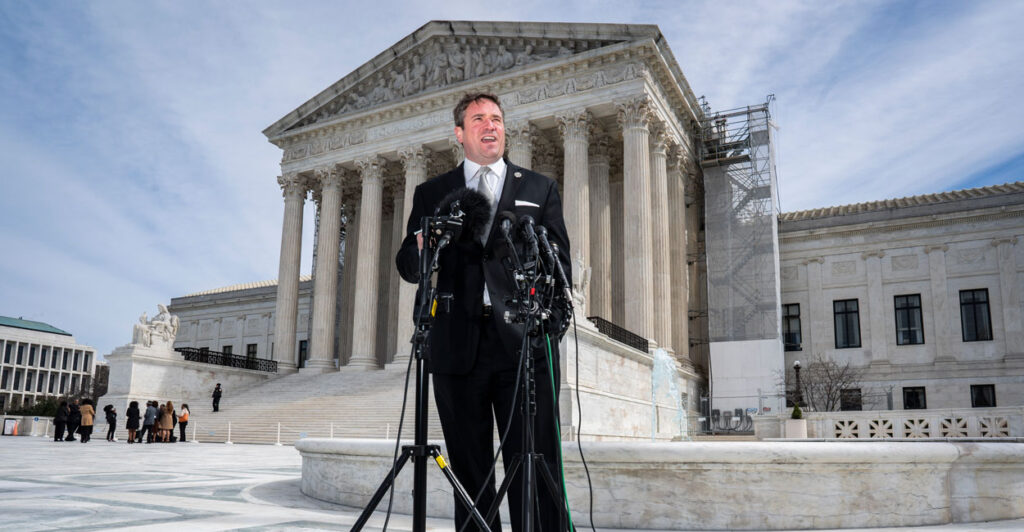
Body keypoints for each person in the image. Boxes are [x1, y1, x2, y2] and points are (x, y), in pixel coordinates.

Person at [396, 92, 572, 532]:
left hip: (524, 346)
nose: (490, 126)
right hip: (457, 345)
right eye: (479, 119)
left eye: (496, 119)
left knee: (535, 462)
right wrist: (423, 247)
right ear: (460, 133)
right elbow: (407, 266)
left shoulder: (538, 187)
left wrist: (549, 328)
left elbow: (561, 263)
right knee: (470, 472)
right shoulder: (432, 192)